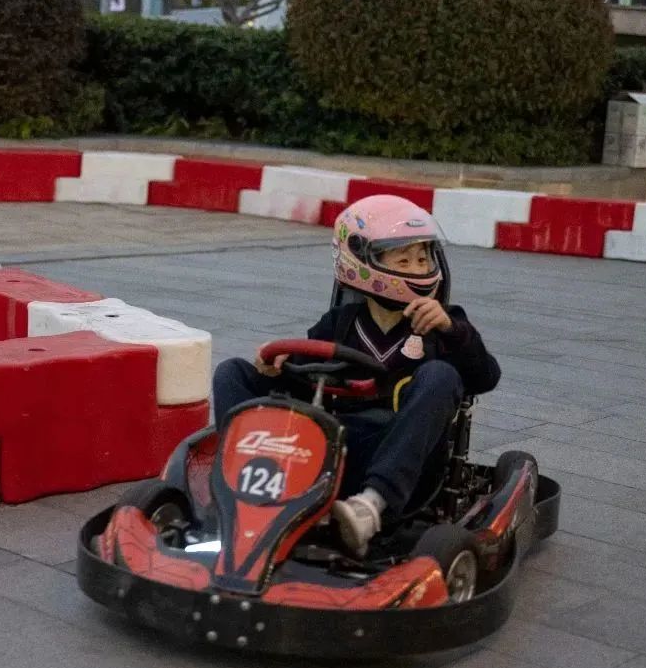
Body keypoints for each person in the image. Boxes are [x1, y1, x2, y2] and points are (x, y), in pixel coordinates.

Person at [212, 195, 501, 555]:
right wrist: (280, 363)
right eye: (404, 259)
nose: (418, 268)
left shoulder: (443, 325)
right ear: (362, 263)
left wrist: (454, 331)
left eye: (423, 258)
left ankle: (370, 508)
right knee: (232, 372)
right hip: (330, 448)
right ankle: (242, 483)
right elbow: (302, 377)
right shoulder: (340, 323)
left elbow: (486, 377)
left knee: (440, 375)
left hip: (399, 457)